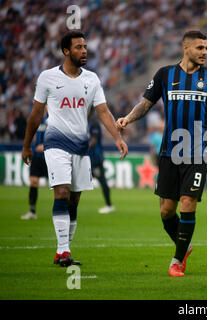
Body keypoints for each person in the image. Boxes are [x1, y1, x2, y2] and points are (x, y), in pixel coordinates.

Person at [116, 30, 207, 277]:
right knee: (166, 211)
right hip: (169, 150)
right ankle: (185, 246)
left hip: (198, 152)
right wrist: (128, 118)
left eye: (206, 48)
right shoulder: (164, 74)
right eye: (199, 48)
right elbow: (146, 103)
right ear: (185, 48)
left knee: (187, 202)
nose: (205, 52)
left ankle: (177, 261)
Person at [21, 30, 128, 267]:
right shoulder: (48, 78)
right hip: (56, 143)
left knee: (74, 201)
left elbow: (103, 112)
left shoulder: (91, 79)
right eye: (78, 47)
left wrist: (118, 138)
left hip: (81, 147)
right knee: (61, 192)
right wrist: (27, 145)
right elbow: (36, 114)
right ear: (66, 51)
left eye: (85, 46)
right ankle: (63, 251)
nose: (84, 51)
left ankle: (65, 252)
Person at [21, 112, 48, 220]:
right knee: (33, 181)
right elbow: (31, 133)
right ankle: (32, 211)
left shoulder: (53, 117)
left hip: (50, 155)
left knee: (59, 186)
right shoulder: (35, 118)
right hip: (36, 156)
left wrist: (45, 145)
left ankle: (64, 212)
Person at [89, 115, 115, 214]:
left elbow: (94, 140)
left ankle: (109, 205)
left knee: (102, 181)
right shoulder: (84, 122)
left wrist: (80, 147)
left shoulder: (94, 124)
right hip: (87, 158)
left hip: (96, 159)